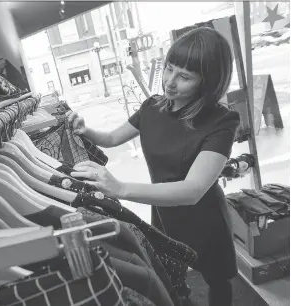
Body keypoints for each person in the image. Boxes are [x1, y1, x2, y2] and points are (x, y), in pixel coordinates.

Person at [67, 27, 240, 306]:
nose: (170, 82)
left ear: (208, 82)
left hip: (205, 219)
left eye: (184, 76)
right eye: (169, 69)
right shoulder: (153, 107)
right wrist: (86, 130)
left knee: (217, 279)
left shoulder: (221, 121)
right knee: (172, 277)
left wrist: (121, 188)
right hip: (164, 213)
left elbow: (193, 190)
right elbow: (112, 138)